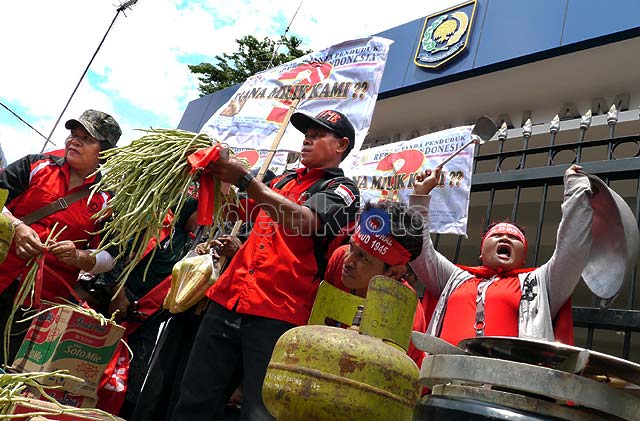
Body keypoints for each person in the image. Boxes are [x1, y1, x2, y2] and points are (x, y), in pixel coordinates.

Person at [171, 109, 361, 421]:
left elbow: (302, 220)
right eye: (306, 133)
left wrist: (245, 180)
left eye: (318, 134)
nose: (307, 139)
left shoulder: (343, 190)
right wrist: (215, 170)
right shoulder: (282, 180)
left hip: (278, 315)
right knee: (194, 401)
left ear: (341, 145)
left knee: (260, 413)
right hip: (227, 300)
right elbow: (233, 212)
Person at [409, 165, 592, 346]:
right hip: (443, 372)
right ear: (481, 253)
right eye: (496, 235)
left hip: (505, 375)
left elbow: (572, 250)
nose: (505, 237)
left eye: (514, 238)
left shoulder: (539, 283)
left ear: (523, 258)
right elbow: (420, 250)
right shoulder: (455, 278)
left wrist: (575, 192)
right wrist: (420, 197)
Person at [0, 109, 121, 361]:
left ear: (105, 153)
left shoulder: (107, 201)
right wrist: (17, 227)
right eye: (73, 134)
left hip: (38, 305)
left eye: (87, 139)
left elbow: (109, 256)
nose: (74, 141)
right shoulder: (36, 165)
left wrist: (79, 257)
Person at [323, 200, 428, 367]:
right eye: (351, 248)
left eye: (363, 258)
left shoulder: (406, 313)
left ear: (394, 273)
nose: (348, 262)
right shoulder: (339, 259)